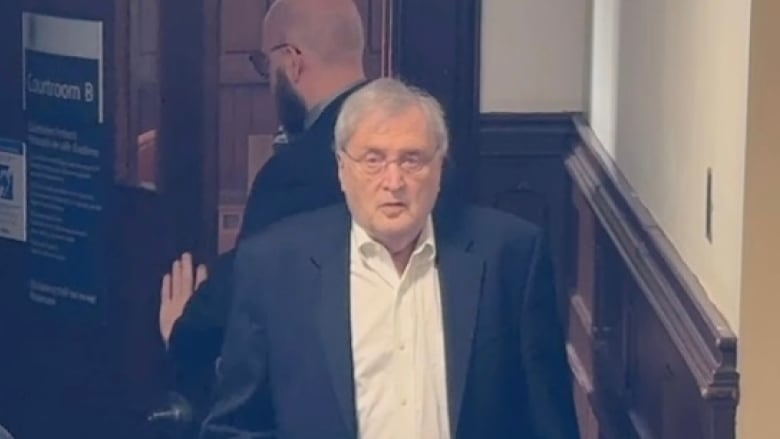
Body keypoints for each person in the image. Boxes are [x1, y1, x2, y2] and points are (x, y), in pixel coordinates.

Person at [199, 77, 580, 439]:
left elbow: (549, 424)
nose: (394, 181)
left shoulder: (510, 256)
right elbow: (236, 427)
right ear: (342, 169)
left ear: (439, 168)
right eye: (373, 160)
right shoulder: (273, 268)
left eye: (412, 160)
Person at [158, 0, 369, 424]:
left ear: (292, 62)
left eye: (263, 63)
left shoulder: (299, 170)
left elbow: (247, 288)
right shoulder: (424, 152)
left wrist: (183, 330)